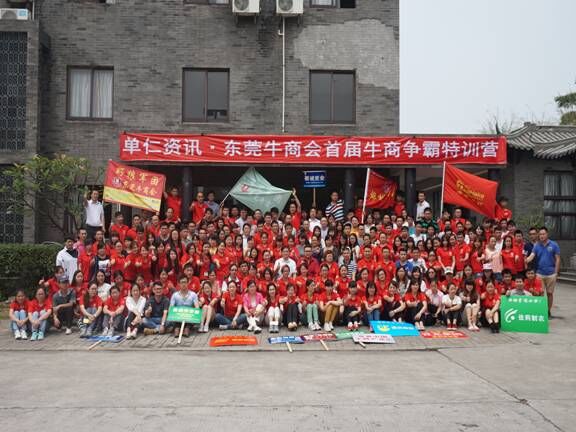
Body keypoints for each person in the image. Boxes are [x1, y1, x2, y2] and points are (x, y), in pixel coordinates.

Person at [526, 227, 560, 317]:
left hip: (551, 273)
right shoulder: (537, 245)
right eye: (540, 234)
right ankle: (540, 311)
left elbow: (557, 259)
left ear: (547, 234)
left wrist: (556, 272)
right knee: (539, 293)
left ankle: (548, 311)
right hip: (539, 273)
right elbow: (531, 256)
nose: (541, 236)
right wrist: (525, 260)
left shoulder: (554, 244)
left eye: (543, 234)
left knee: (550, 293)